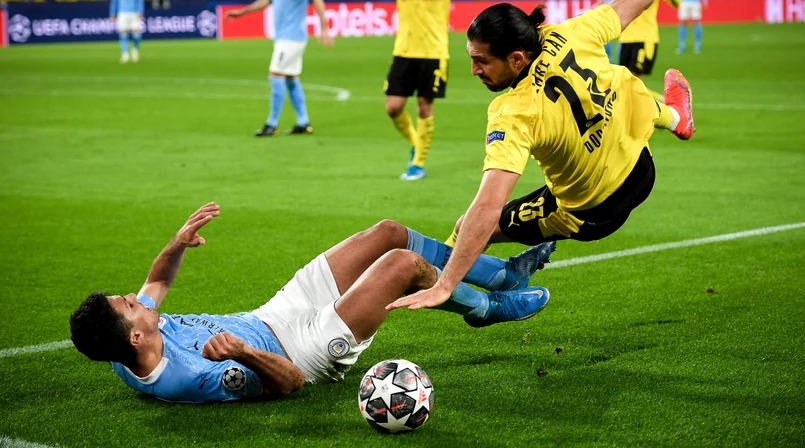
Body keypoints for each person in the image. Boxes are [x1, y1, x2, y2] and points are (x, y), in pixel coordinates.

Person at [389, 0, 695, 313]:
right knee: (622, 85)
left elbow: (488, 206)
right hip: (642, 169)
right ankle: (675, 117)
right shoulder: (572, 32)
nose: (474, 70)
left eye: (482, 61)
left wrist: (446, 282)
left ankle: (484, 305)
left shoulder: (513, 110)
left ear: (517, 59)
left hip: (592, 211)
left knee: (469, 227)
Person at [70, 202, 556, 403]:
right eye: (129, 305)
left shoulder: (126, 342)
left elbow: (157, 280)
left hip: (273, 313)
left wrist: (176, 244)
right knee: (403, 265)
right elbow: (291, 383)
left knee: (387, 233)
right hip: (304, 350)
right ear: (136, 335)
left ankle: (502, 275)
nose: (136, 297)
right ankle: (486, 309)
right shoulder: (190, 376)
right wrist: (244, 353)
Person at [360, 0, 493, 180]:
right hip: (404, 51)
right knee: (393, 108)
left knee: (424, 108)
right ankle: (416, 142)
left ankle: (418, 164)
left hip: (434, 53)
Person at [227, 0, 333, 137]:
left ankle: (271, 124)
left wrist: (324, 28)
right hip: (283, 36)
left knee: (275, 75)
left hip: (293, 37)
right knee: (291, 78)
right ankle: (303, 122)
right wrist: (241, 12)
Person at [575, 0, 681, 101]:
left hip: (645, 37)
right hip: (625, 38)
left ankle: (665, 105)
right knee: (626, 85)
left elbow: (676, 2)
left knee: (632, 84)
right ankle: (663, 105)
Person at [109, 0, 144, 64]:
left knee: (137, 34)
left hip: (134, 13)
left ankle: (135, 49)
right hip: (122, 13)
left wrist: (140, 11)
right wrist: (112, 13)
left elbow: (140, 0)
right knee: (123, 33)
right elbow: (114, 1)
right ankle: (125, 54)